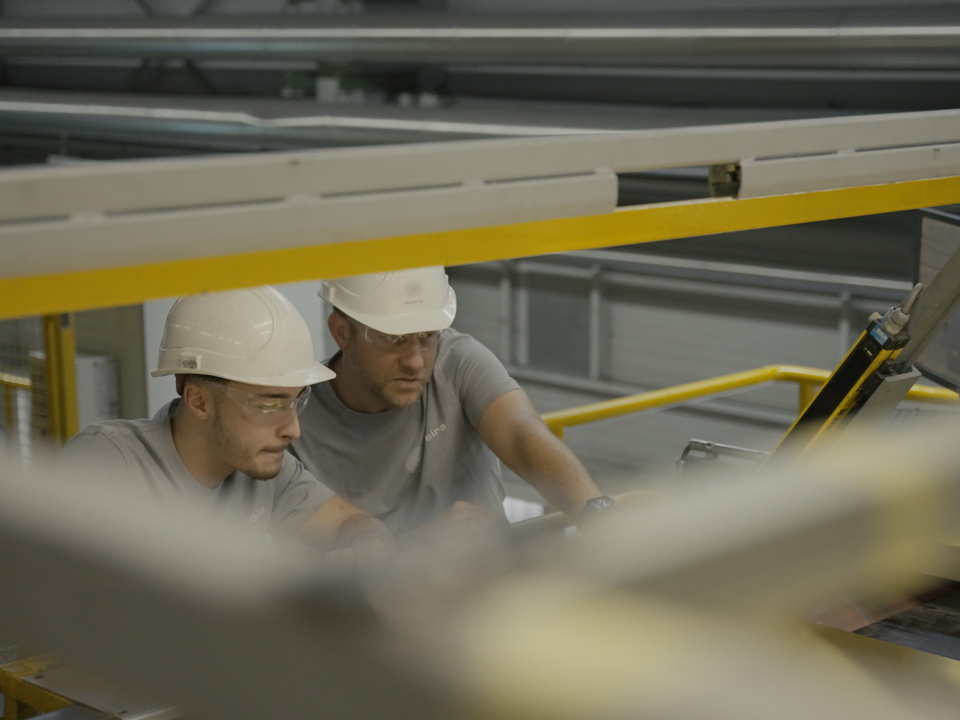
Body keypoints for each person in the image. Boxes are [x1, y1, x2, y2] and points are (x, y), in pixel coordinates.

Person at [59, 286, 392, 567]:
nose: (293, 429)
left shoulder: (262, 471)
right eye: (268, 405)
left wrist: (364, 555)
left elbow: (356, 524)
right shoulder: (108, 463)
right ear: (199, 401)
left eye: (295, 401)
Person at [289, 266, 614, 535]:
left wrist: (597, 512)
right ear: (342, 332)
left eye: (428, 336)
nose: (415, 361)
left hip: (482, 585)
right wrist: (423, 545)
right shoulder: (294, 422)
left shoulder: (457, 360)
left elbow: (521, 436)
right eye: (393, 339)